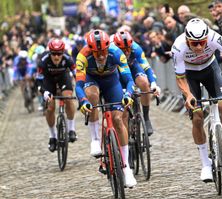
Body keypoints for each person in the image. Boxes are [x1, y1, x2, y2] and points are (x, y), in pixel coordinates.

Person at [171, 18, 222, 182]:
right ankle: (205, 163)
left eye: (202, 43)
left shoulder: (214, 37)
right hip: (189, 75)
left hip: (210, 69)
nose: (198, 47)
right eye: (194, 43)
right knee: (197, 117)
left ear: (207, 37)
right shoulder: (178, 47)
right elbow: (180, 78)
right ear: (186, 39)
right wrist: (188, 95)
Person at [75, 29, 137, 188]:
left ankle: (126, 168)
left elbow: (129, 80)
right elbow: (79, 85)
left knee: (118, 119)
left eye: (103, 51)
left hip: (111, 81)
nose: (101, 55)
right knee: (92, 96)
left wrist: (128, 94)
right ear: (90, 50)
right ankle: (95, 139)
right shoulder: (82, 56)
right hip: (92, 80)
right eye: (97, 53)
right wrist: (83, 101)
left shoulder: (116, 52)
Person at [112, 31, 161, 135]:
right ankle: (125, 136)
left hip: (133, 67)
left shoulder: (136, 48)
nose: (126, 52)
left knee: (144, 83)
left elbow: (146, 67)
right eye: (122, 50)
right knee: (123, 104)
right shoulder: (112, 51)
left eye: (128, 49)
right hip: (118, 72)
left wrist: (153, 83)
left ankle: (146, 118)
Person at [38, 38, 77, 152]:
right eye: (54, 54)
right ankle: (52, 136)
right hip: (48, 80)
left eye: (59, 54)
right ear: (50, 53)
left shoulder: (68, 59)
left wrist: (80, 87)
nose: (56, 57)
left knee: (68, 98)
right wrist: (44, 92)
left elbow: (76, 75)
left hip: (63, 78)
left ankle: (71, 129)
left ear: (62, 53)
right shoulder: (43, 61)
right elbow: (39, 81)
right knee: (50, 108)